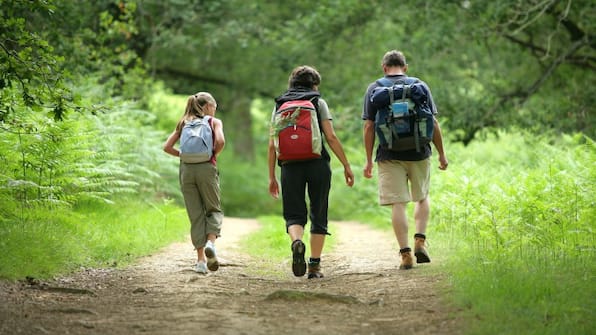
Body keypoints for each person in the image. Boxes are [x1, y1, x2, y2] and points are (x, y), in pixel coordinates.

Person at [362, 50, 448, 270]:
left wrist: (369, 160)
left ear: (384, 67)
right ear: (405, 67)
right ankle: (420, 240)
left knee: (398, 203)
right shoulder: (420, 85)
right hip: (419, 152)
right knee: (422, 197)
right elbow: (433, 122)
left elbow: (369, 126)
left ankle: (406, 255)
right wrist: (441, 154)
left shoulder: (375, 88)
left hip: (389, 155)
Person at [268, 65, 355, 279]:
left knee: (294, 213)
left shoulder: (280, 105)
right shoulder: (318, 102)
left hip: (289, 166)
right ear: (314, 84)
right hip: (317, 164)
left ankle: (297, 242)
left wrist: (271, 176)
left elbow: (272, 144)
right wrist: (346, 164)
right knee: (319, 211)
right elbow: (331, 137)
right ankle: (314, 266)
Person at [163, 92, 225, 274]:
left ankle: (200, 262)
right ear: (207, 106)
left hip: (187, 171)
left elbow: (167, 147)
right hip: (206, 168)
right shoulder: (213, 122)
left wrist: (182, 155)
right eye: (214, 107)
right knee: (213, 209)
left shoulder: (183, 122)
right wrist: (212, 154)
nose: (214, 110)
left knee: (196, 214)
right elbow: (220, 141)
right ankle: (211, 244)